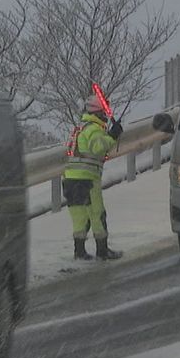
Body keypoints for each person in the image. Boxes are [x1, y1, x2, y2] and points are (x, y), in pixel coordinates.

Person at [63, 94, 124, 261]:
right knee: (97, 214)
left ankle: (80, 252)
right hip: (87, 179)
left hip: (70, 179)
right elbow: (98, 148)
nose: (106, 115)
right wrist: (112, 136)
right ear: (98, 113)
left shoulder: (80, 128)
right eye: (104, 112)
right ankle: (102, 250)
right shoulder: (94, 130)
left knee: (79, 217)